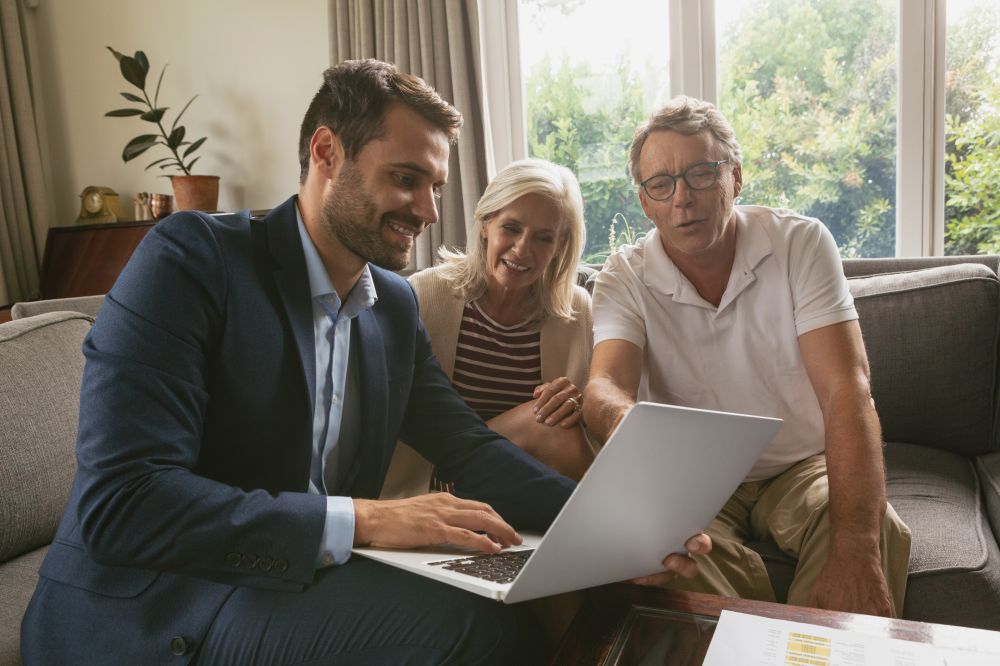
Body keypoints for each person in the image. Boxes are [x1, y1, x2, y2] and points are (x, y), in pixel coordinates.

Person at [20, 60, 708, 664]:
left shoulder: (390, 308)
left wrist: (623, 529)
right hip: (159, 601)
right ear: (326, 152)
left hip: (291, 575)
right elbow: (124, 503)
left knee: (519, 609)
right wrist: (366, 519)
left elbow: (468, 448)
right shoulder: (193, 260)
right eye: (406, 179)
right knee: (474, 632)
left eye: (436, 186)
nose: (428, 210)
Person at [583, 95, 911, 618]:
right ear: (645, 202)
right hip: (693, 472)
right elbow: (604, 388)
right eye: (661, 184)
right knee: (653, 553)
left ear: (736, 178)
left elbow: (846, 389)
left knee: (874, 530)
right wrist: (627, 420)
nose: (682, 199)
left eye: (701, 174)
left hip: (802, 465)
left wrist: (856, 547)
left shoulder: (801, 243)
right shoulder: (623, 275)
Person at [380, 158, 594, 501]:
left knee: (559, 424)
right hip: (434, 482)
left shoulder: (577, 310)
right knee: (548, 426)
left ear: (560, 246)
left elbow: (584, 429)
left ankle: (612, 527)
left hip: (527, 485)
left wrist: (575, 405)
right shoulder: (425, 294)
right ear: (485, 224)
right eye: (511, 228)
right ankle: (613, 524)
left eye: (543, 238)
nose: (522, 249)